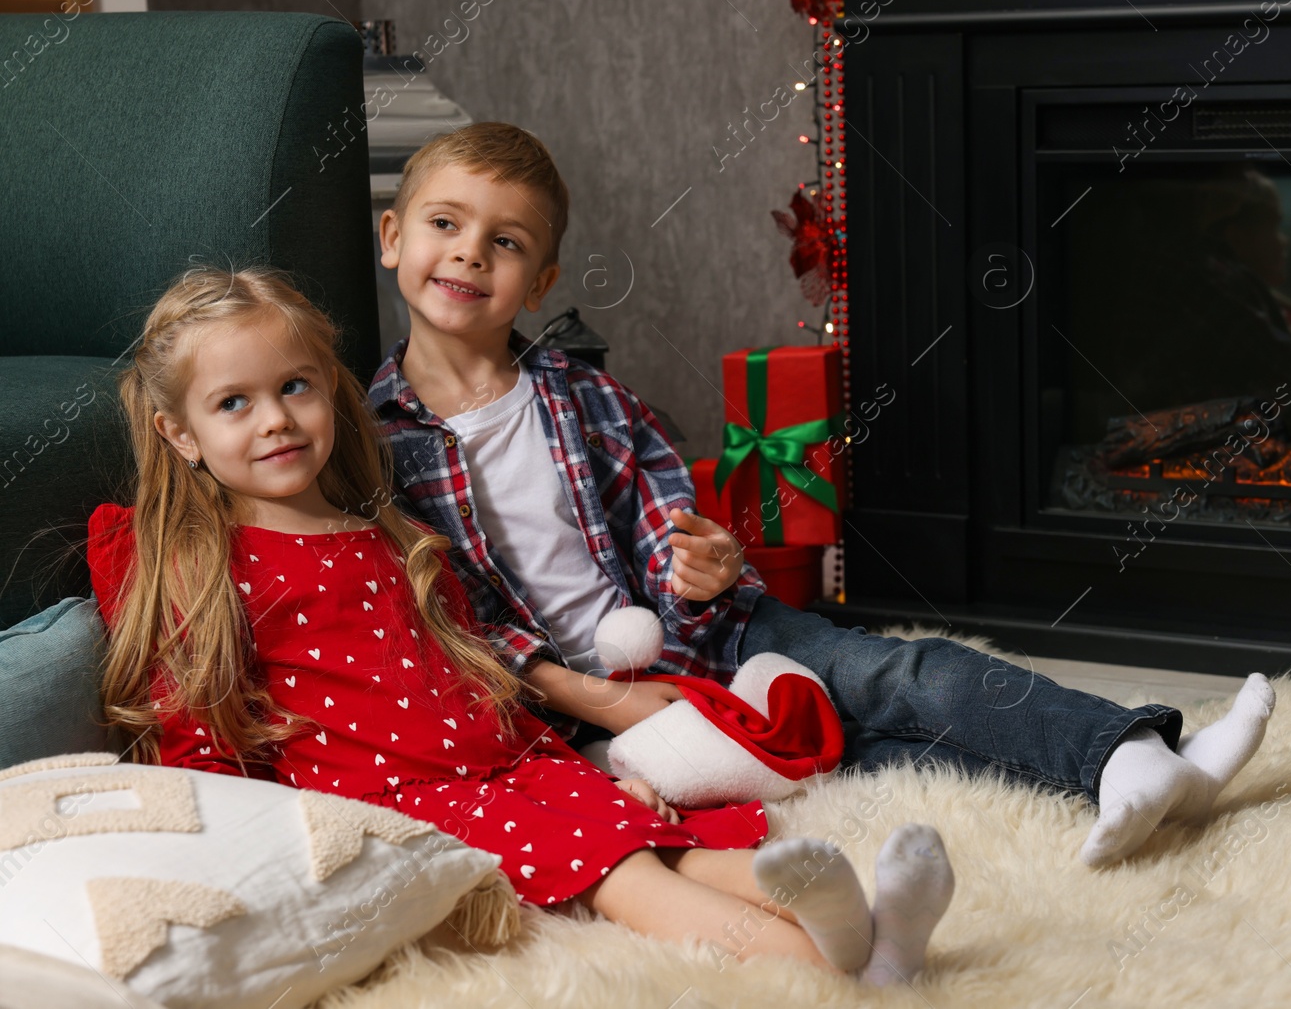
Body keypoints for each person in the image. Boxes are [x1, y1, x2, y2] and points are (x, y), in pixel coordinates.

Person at [368, 121, 1280, 868]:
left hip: (708, 631)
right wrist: (595, 699)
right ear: (392, 237)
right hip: (578, 712)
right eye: (445, 225)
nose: (470, 255)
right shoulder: (378, 446)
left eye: (506, 242)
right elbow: (445, 618)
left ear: (543, 280)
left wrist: (709, 564)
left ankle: (1128, 750)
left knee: (896, 672)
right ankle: (1125, 776)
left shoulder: (581, 393)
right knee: (850, 751)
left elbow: (664, 513)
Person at [86, 266, 955, 982]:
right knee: (626, 878)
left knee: (663, 841)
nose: (275, 417)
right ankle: (846, 969)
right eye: (233, 403)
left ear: (329, 392)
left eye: (294, 386)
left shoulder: (392, 535)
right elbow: (196, 743)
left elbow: (468, 675)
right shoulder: (211, 568)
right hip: (401, 804)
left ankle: (863, 921)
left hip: (509, 764)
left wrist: (580, 762)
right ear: (181, 433)